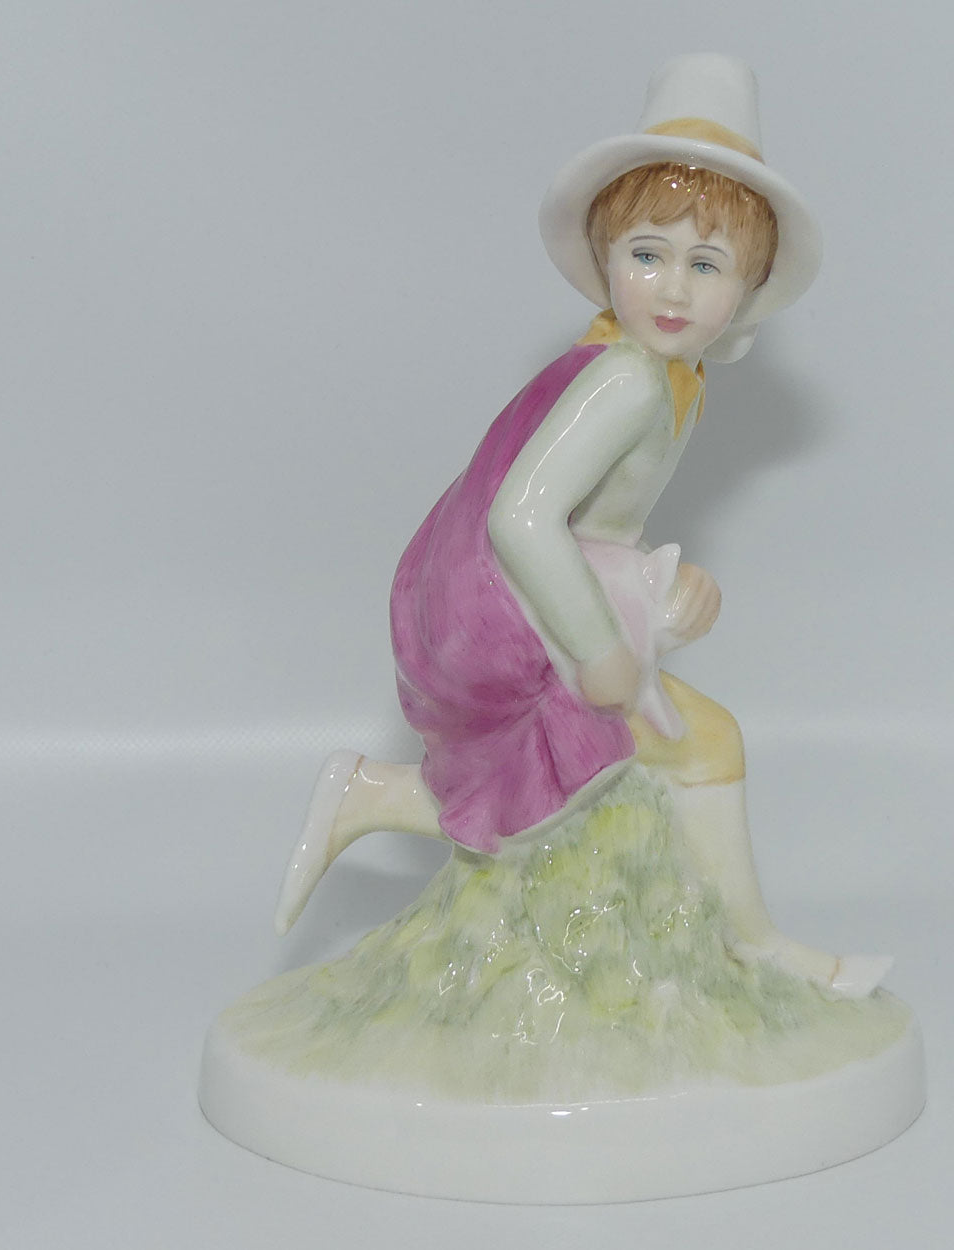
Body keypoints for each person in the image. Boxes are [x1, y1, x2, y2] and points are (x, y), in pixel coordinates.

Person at [273, 55, 889, 998]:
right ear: (605, 260)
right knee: (688, 746)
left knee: (576, 781)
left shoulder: (670, 374)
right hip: (527, 609)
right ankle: (754, 944)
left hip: (558, 588)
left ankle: (372, 795)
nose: (672, 291)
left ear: (749, 287)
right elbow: (523, 517)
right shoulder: (629, 378)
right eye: (648, 254)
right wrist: (601, 649)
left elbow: (604, 520)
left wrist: (669, 585)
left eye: (706, 265)